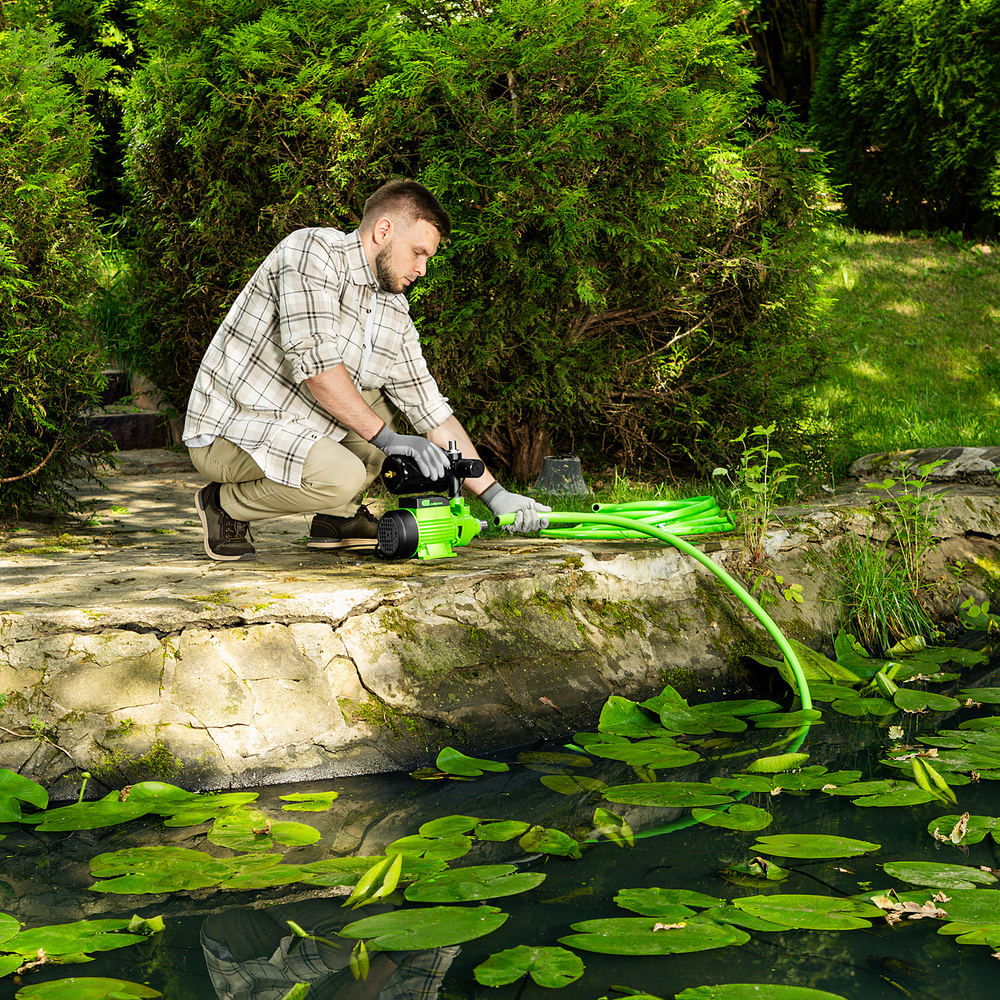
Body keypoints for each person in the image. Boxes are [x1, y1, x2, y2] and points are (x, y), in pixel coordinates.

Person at [183, 179, 549, 561]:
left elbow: (431, 410)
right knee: (343, 475)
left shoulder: (392, 310)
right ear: (384, 230)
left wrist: (495, 495)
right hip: (231, 430)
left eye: (428, 258)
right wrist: (388, 440)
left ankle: (335, 519)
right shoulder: (311, 252)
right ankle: (224, 504)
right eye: (418, 253)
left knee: (384, 400)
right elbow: (316, 365)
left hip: (301, 424)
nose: (422, 269)